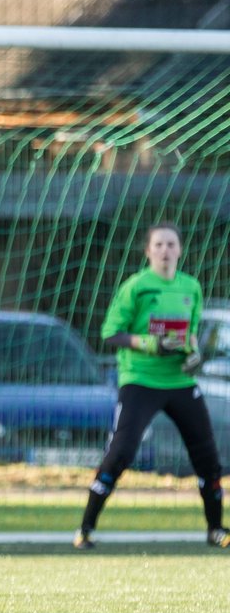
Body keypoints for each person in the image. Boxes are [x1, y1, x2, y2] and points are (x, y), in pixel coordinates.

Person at [73, 222, 228, 551]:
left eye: (171, 244)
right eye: (158, 245)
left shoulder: (191, 288)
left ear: (180, 250)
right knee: (122, 453)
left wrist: (194, 355)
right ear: (148, 252)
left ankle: (216, 529)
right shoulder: (136, 287)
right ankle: (85, 528)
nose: (165, 250)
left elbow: (191, 338)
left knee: (208, 457)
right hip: (141, 381)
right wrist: (148, 343)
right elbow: (110, 333)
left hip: (180, 381)